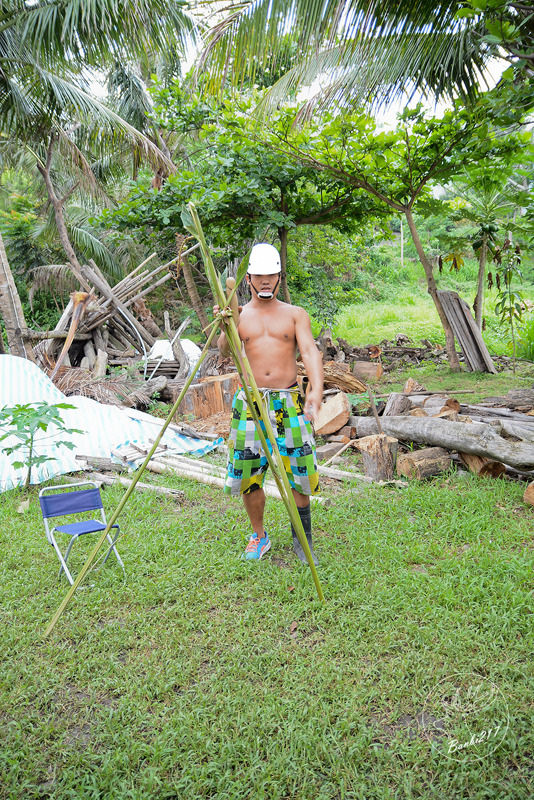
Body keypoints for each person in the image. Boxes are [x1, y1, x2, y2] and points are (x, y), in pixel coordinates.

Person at [214, 242, 324, 564]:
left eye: (270, 275)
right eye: (259, 276)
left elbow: (309, 353)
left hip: (287, 402)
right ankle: (259, 536)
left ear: (279, 277)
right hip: (249, 402)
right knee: (248, 473)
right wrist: (227, 326)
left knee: (299, 470)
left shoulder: (295, 315)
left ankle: (302, 541)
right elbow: (224, 351)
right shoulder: (238, 315)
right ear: (249, 278)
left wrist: (315, 393)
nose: (265, 281)